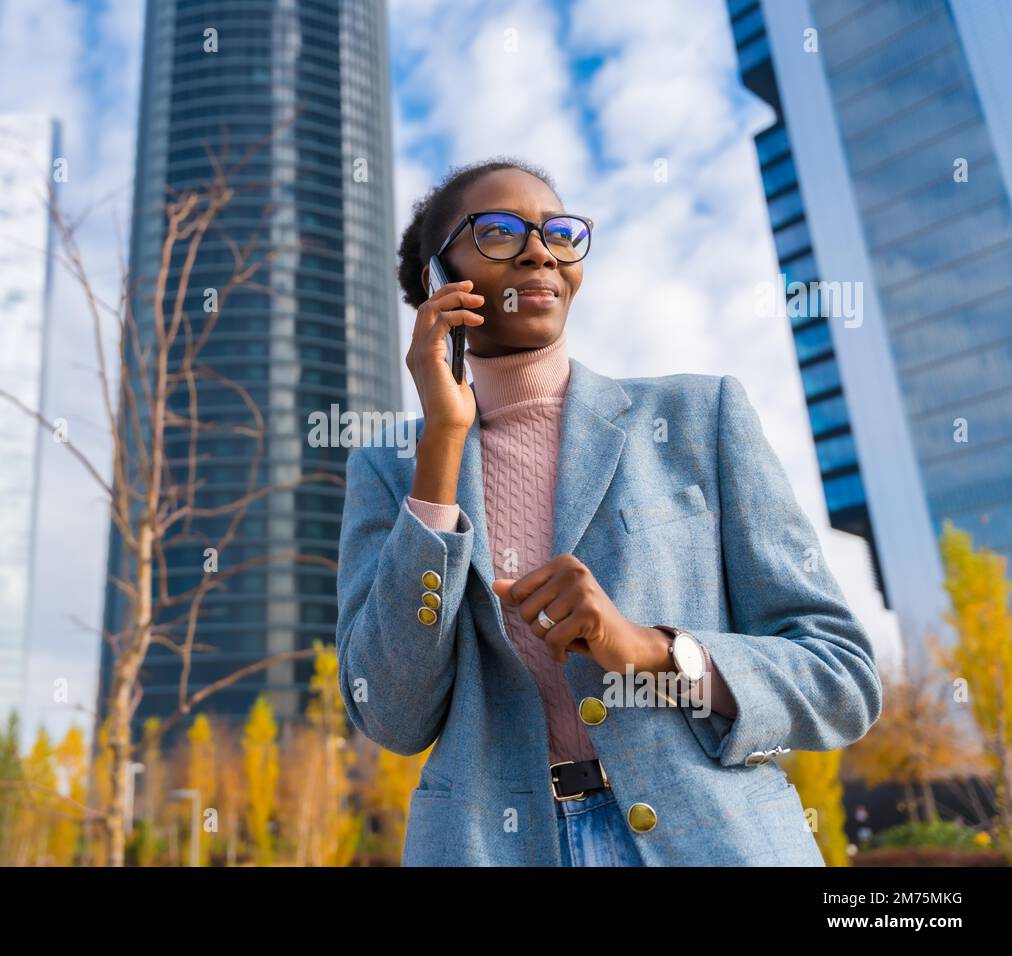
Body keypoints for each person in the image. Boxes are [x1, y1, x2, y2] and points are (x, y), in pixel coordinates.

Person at [334, 158, 883, 866]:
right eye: (498, 232)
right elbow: (393, 715)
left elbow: (841, 676)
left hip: (715, 841)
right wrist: (441, 441)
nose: (539, 249)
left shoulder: (698, 418)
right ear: (439, 281)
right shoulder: (388, 471)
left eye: (559, 232)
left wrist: (652, 649)